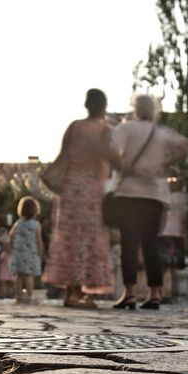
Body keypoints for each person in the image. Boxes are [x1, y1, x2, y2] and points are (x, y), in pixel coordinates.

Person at [109, 93, 188, 310]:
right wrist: (166, 162)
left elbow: (109, 148)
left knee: (129, 243)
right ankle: (155, 293)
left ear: (135, 108)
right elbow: (187, 145)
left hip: (128, 193)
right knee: (150, 244)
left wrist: (123, 166)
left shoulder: (126, 128)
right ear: (154, 110)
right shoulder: (161, 132)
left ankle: (128, 293)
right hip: (155, 195)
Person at [42, 88, 117, 309]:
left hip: (69, 189)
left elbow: (63, 155)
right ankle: (83, 293)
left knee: (69, 239)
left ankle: (71, 292)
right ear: (104, 107)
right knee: (89, 240)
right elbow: (109, 157)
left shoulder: (74, 127)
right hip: (91, 190)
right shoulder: (105, 130)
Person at [10, 196, 46, 302]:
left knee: (19, 274)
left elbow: (11, 235)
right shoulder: (36, 224)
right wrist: (41, 252)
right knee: (29, 275)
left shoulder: (18, 223)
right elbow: (39, 240)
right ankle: (29, 295)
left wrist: (13, 246)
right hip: (31, 252)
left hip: (18, 251)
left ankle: (18, 295)